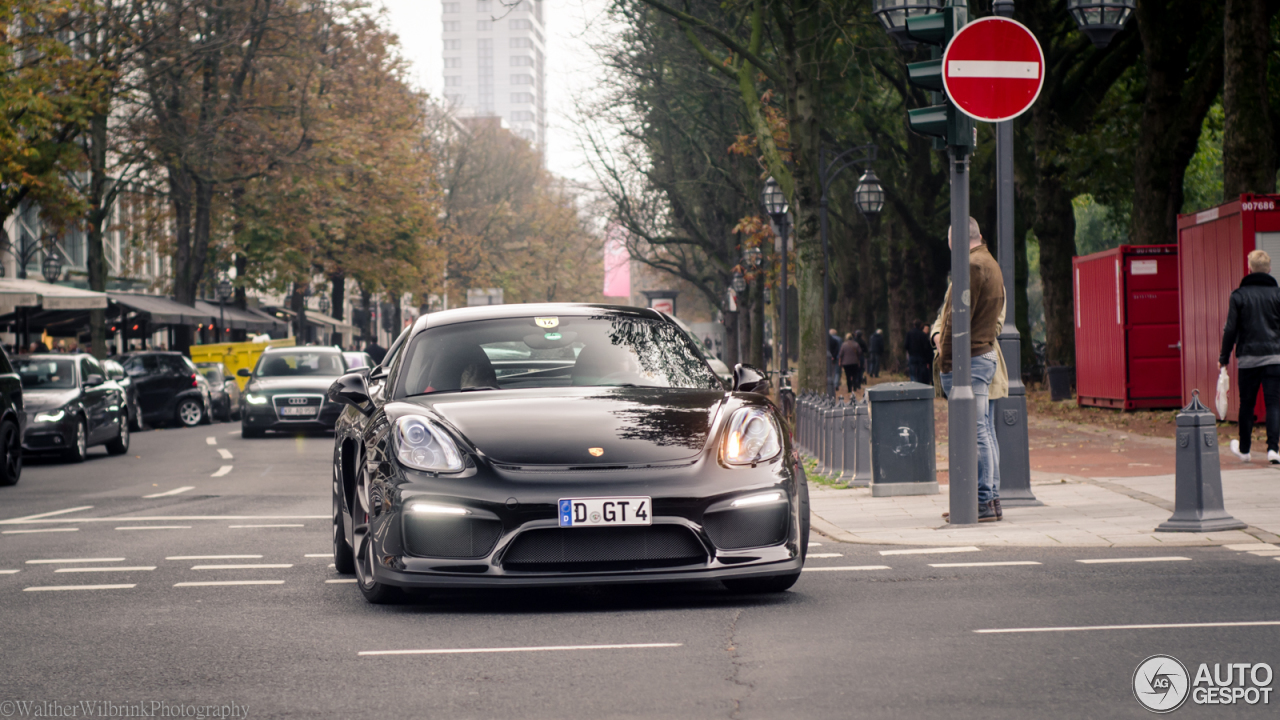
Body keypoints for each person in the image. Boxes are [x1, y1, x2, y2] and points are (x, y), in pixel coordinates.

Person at [933, 217, 1005, 523]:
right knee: (984, 430)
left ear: (957, 240)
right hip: (982, 354)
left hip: (970, 358)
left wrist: (944, 358)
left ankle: (982, 500)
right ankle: (989, 498)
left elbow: (954, 320)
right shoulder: (989, 262)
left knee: (975, 431)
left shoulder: (971, 267)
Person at [1220, 249, 1280, 464]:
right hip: (1275, 358)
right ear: (1269, 269)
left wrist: (1224, 357)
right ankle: (1273, 449)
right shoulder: (1278, 294)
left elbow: (1230, 329)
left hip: (1248, 359)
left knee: (1247, 404)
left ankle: (1244, 450)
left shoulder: (1239, 295)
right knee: (1274, 404)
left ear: (1250, 268)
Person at [827, 328, 841, 395]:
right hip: (836, 357)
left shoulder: (828, 340)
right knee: (836, 371)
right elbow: (838, 349)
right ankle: (835, 383)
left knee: (829, 372)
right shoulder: (839, 339)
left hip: (828, 358)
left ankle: (831, 383)